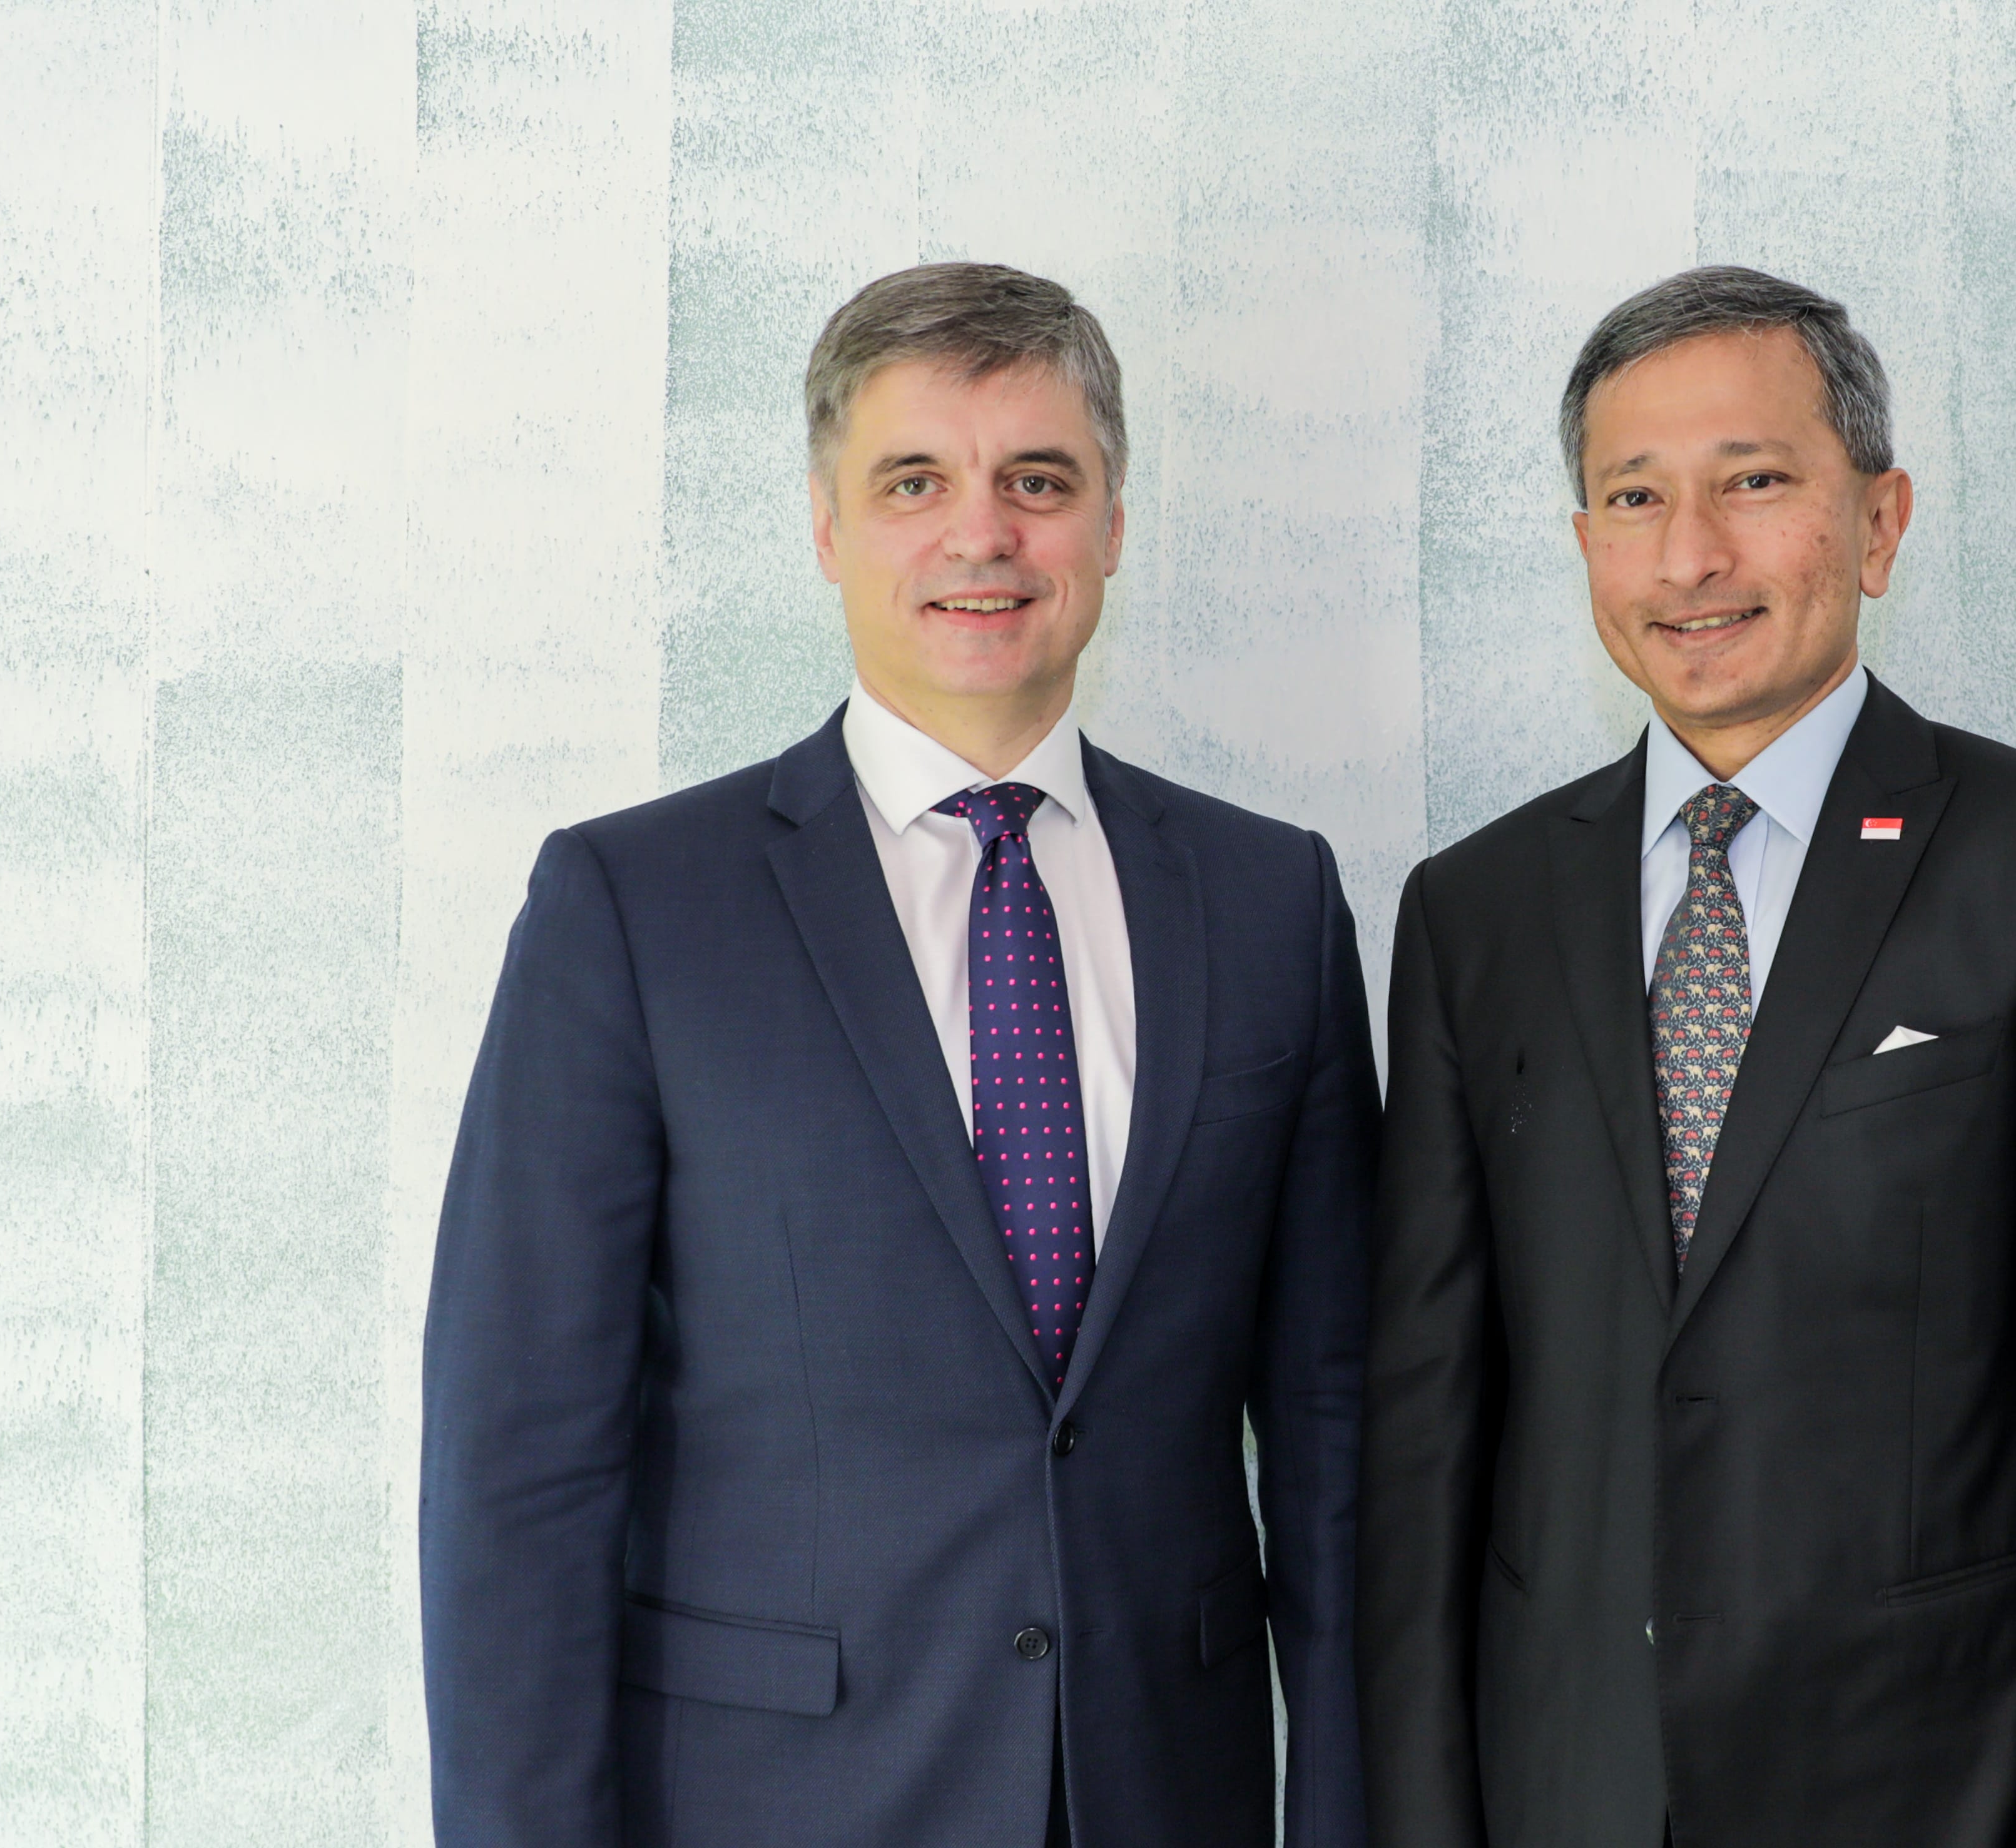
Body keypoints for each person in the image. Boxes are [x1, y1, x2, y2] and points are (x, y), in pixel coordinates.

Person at [422, 263, 1374, 1848]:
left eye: (1038, 481)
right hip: (773, 1800)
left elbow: (1338, 1445)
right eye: (913, 480)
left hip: (1167, 1791)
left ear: (1112, 524)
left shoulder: (1270, 899)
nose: (980, 533)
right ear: (827, 528)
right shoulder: (636, 906)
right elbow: (520, 1468)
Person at [1358, 266, 2016, 1847]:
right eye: (1634, 497)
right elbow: (1425, 1447)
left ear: (1880, 521)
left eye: (1753, 483)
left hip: (1941, 1795)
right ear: (1583, 551)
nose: (1690, 555)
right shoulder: (1470, 914)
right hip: (1572, 1797)